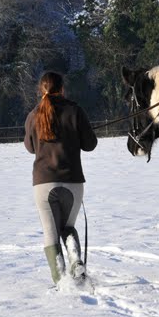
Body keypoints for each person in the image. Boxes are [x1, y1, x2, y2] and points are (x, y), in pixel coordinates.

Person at [25, 72, 98, 286]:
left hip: (43, 182)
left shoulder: (33, 115)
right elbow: (90, 144)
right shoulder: (75, 111)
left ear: (41, 90)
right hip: (73, 182)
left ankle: (61, 280)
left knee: (51, 232)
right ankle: (75, 261)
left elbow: (30, 147)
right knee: (67, 227)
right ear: (62, 89)